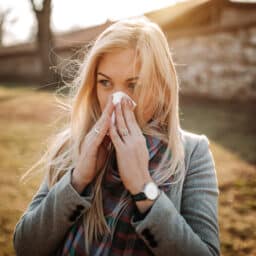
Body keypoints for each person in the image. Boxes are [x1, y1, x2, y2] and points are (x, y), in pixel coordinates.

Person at [13, 17, 220, 256]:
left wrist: (144, 187)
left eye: (134, 85)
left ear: (162, 86)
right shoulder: (74, 143)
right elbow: (25, 246)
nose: (116, 100)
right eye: (105, 83)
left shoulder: (193, 154)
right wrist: (78, 179)